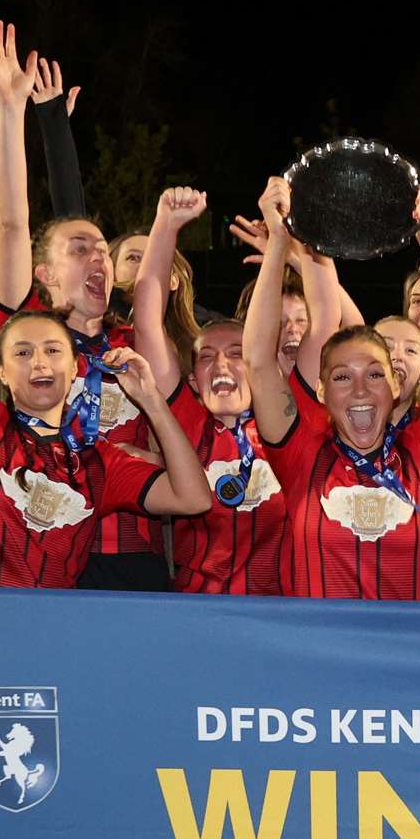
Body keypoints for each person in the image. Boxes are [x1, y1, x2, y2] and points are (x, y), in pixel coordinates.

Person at [0, 144, 209, 593]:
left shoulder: (101, 451)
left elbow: (193, 497)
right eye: (23, 353)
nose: (39, 360)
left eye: (53, 354)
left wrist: (154, 409)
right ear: (2, 368)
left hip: (119, 564)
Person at [0, 23, 171, 590]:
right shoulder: (34, 338)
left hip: (135, 553)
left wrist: (155, 451)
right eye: (79, 249)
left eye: (103, 249)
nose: (99, 256)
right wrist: (14, 111)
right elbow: (15, 221)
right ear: (44, 274)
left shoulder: (136, 344)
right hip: (50, 554)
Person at [244, 175, 420, 599]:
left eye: (375, 374)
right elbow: (259, 363)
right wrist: (279, 243)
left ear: (395, 385)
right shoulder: (302, 455)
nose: (359, 389)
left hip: (416, 659)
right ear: (320, 391)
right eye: (341, 376)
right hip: (322, 661)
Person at [133, 187, 288, 595]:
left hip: (281, 615)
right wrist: (165, 225)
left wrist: (283, 251)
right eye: (206, 357)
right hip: (196, 612)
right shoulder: (184, 420)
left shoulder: (287, 426)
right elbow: (148, 322)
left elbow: (324, 324)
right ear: (191, 382)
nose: (221, 364)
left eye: (237, 354)